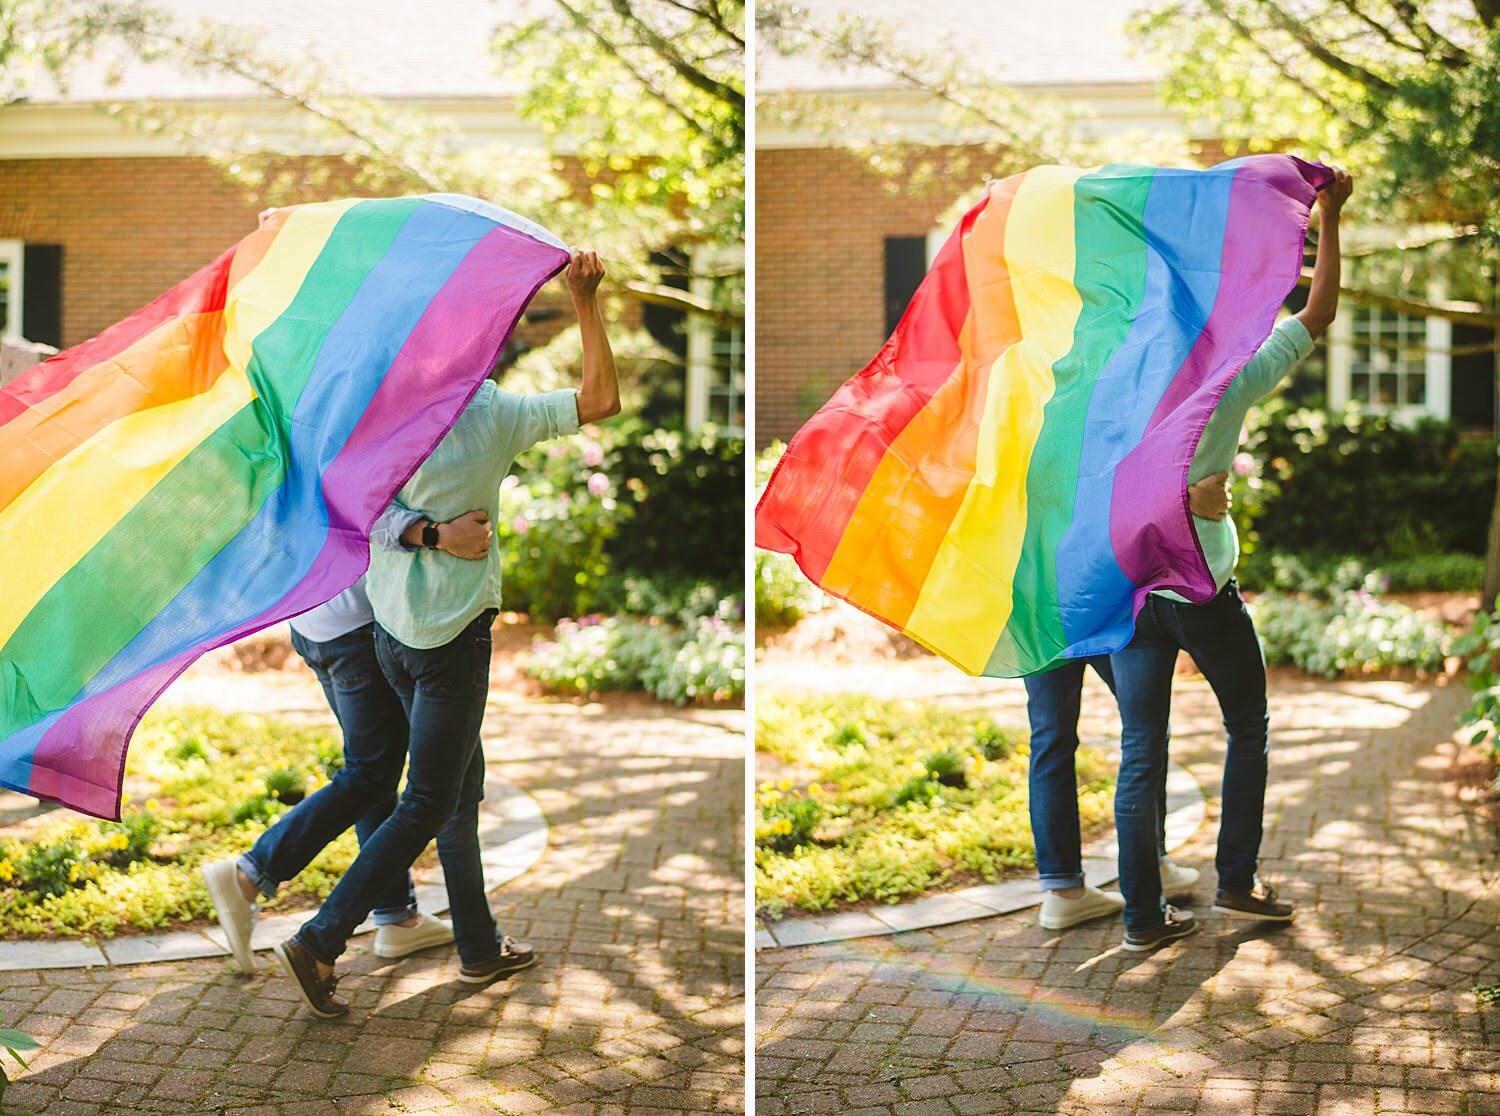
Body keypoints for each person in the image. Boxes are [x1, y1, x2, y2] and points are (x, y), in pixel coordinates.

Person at [274, 249, 621, 1017]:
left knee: (460, 792)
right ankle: (322, 938)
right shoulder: (490, 414)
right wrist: (586, 300)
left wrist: (425, 534)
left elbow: (353, 505)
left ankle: (478, 947)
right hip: (451, 642)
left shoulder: (376, 420)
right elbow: (600, 400)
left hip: (390, 636)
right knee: (429, 800)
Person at [1108, 168, 1354, 952]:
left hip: (1136, 586)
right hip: (1201, 583)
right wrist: (1331, 218)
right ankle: (1237, 882)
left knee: (1141, 747)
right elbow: (1318, 311)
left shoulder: (1119, 379)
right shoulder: (1232, 380)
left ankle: (1142, 919)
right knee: (1248, 722)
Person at [200, 509, 494, 974]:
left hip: (317, 617)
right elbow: (366, 509)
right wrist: (436, 535)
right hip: (353, 621)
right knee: (374, 772)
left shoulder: (291, 433)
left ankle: (396, 916)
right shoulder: (340, 435)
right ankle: (253, 871)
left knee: (376, 772)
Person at [1026, 474, 1230, 931]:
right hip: (1093, 591)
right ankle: (1150, 863)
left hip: (1032, 587)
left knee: (1052, 737)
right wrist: (1183, 497)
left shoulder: (999, 410)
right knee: (1145, 728)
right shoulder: (1077, 402)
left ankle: (1062, 890)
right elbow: (1110, 469)